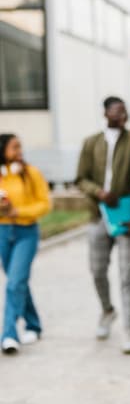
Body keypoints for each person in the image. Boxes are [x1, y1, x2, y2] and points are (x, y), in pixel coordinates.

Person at [76, 96, 130, 354]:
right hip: (98, 216)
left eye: (125, 111)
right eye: (117, 111)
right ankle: (107, 310)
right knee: (97, 271)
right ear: (106, 113)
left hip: (127, 218)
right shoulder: (91, 143)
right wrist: (99, 192)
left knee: (128, 276)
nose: (122, 115)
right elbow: (81, 179)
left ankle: (129, 329)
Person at [0, 134, 51, 353]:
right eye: (14, 147)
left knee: (14, 282)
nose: (19, 151)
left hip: (26, 232)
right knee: (17, 281)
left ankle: (9, 334)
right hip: (3, 231)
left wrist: (18, 211)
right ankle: (34, 324)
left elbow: (45, 204)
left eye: (20, 146)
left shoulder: (32, 173)